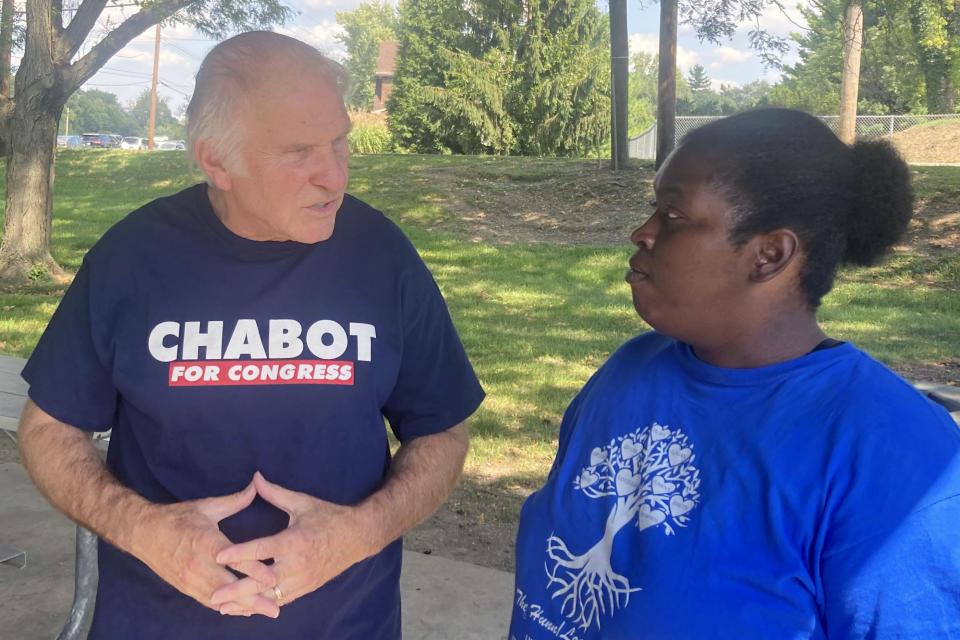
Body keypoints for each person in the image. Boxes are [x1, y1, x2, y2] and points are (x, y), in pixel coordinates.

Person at [18, 31, 484, 639]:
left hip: (345, 624)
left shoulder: (381, 256)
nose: (333, 176)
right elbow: (48, 429)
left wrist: (358, 534)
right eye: (298, 152)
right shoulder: (135, 258)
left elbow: (443, 430)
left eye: (340, 141)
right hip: (155, 623)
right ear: (217, 161)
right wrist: (143, 531)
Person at [509, 108, 960, 639]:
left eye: (674, 216)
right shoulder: (629, 372)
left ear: (769, 254)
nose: (642, 232)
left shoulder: (894, 456)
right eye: (653, 210)